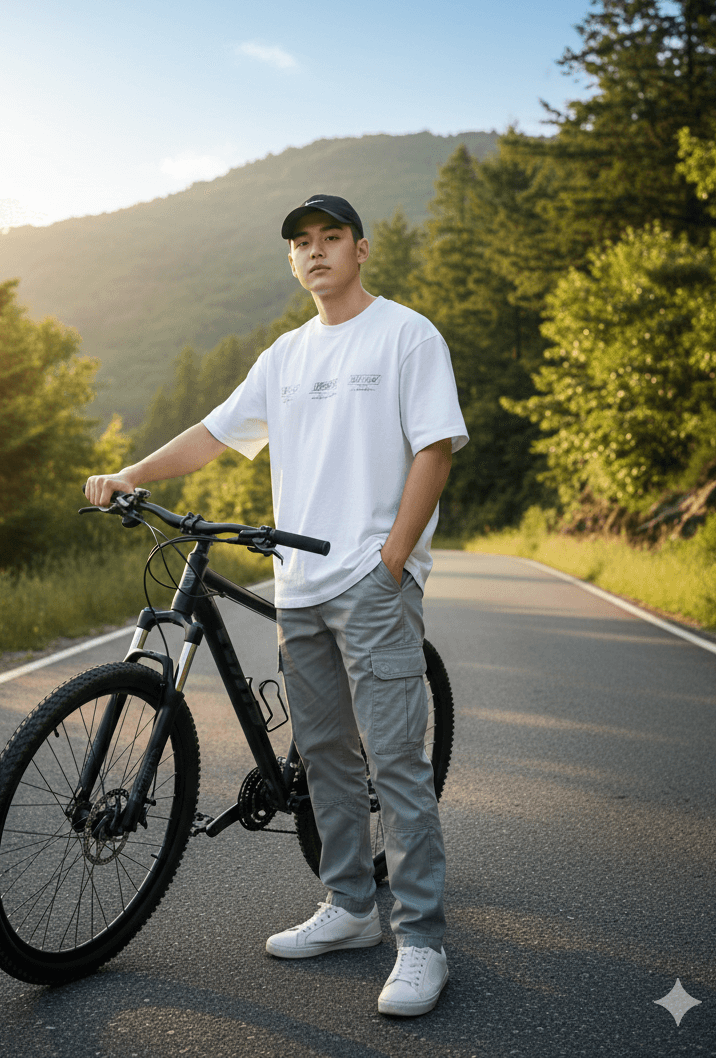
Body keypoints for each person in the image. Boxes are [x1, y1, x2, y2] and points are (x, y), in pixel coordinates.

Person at [85, 193, 468, 1017]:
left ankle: (424, 941)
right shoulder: (285, 355)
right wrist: (133, 475)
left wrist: (394, 558)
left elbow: (434, 447)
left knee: (396, 761)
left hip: (370, 580)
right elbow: (214, 434)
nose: (316, 251)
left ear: (361, 250)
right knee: (326, 755)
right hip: (297, 584)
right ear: (292, 261)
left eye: (331, 238)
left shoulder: (406, 333)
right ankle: (351, 910)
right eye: (302, 242)